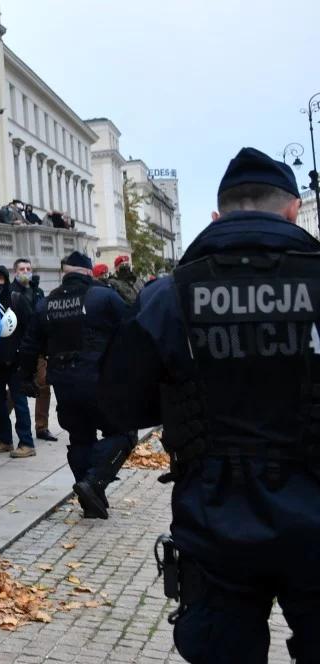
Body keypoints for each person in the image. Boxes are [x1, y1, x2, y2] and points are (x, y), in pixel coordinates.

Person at [101, 147, 320, 663]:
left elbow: (117, 405)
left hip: (215, 522)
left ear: (217, 217)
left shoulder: (169, 295)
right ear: (292, 212)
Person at [17, 250, 130, 518]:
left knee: (80, 439)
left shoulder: (46, 303)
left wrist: (25, 378)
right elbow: (131, 333)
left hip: (64, 384)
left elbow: (29, 344)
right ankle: (94, 481)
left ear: (64, 274)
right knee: (123, 433)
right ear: (89, 272)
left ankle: (91, 500)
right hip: (100, 381)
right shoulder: (104, 296)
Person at [0, 265, 37, 456]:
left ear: (6, 280)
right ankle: (5, 439)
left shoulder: (17, 299)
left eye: (0, 279)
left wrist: (22, 353)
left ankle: (26, 443)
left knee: (20, 403)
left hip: (16, 363)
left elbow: (31, 328)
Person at [10, 259, 56, 443]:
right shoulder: (12, 292)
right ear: (15, 272)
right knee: (17, 388)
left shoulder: (36, 290)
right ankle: (3, 418)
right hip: (20, 348)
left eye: (28, 269)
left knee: (43, 385)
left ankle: (42, 427)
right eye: (22, 269)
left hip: (37, 347)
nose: (26, 272)